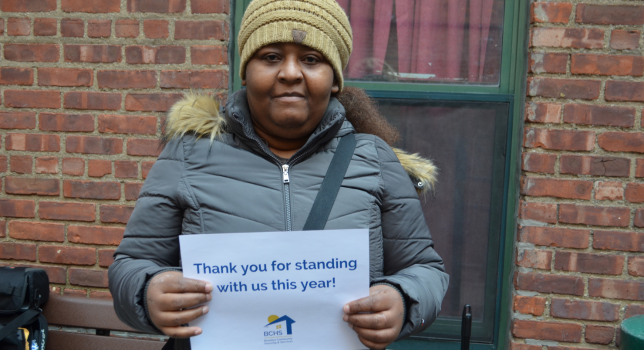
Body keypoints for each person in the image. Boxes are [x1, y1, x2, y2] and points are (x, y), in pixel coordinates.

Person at [108, 1, 449, 349]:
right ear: (244, 71)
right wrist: (148, 291)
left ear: (335, 80)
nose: (290, 72)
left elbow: (425, 269)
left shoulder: (375, 160)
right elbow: (131, 264)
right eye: (271, 57)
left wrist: (403, 300)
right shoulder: (188, 154)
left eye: (311, 59)